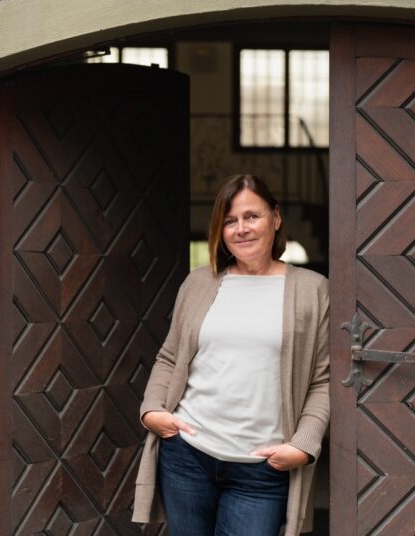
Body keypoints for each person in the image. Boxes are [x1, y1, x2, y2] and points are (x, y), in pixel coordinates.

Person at [132, 174, 329, 536]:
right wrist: (152, 411)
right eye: (229, 221)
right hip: (187, 456)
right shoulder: (199, 283)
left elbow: (322, 380)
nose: (241, 229)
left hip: (262, 469)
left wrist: (303, 445)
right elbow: (170, 357)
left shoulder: (312, 290)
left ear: (276, 217)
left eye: (252, 216)